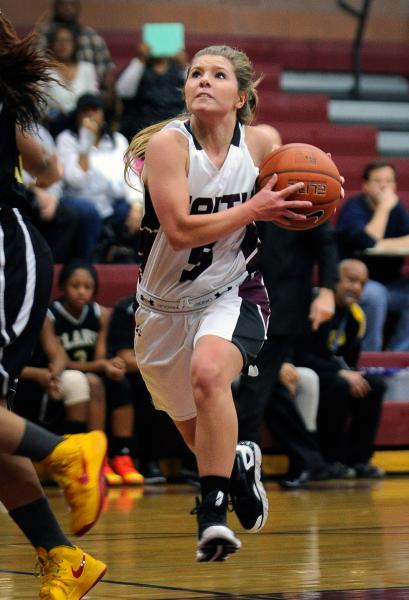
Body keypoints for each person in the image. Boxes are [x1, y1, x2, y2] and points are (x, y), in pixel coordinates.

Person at [125, 44, 317, 561]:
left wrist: (307, 203)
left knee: (211, 375)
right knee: (198, 435)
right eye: (195, 74)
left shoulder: (263, 143)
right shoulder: (169, 145)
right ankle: (238, 464)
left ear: (242, 96)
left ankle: (211, 518)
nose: (203, 81)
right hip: (161, 310)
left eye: (217, 75)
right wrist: (254, 207)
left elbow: (288, 205)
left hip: (232, 293)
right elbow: (181, 230)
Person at [0, 12, 107, 598]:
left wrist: (38, 179)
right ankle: (62, 554)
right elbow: (48, 163)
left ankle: (71, 451)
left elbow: (50, 166)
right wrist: (39, 171)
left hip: (3, 249)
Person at [235, 219, 339, 490]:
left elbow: (325, 241)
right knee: (267, 390)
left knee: (252, 390)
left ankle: (247, 476)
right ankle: (309, 460)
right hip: (240, 301)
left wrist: (327, 291)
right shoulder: (240, 180)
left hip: (279, 304)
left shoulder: (298, 182)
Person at [47, 260, 144, 486]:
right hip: (59, 375)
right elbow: (61, 361)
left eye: (87, 287)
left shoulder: (101, 313)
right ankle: (94, 458)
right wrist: (102, 366)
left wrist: (110, 366)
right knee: (92, 381)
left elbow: (99, 359)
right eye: (75, 286)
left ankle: (121, 454)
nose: (82, 291)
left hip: (91, 371)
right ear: (62, 286)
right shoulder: (50, 315)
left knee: (120, 383)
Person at [293, 259, 386, 478]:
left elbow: (350, 361)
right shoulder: (313, 304)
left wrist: (347, 372)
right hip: (302, 370)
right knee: (339, 385)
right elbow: (299, 354)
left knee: (373, 386)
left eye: (362, 283)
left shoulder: (355, 317)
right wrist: (338, 371)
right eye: (351, 280)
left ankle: (360, 460)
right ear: (334, 279)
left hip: (332, 371)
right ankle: (330, 459)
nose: (356, 288)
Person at [56, 92, 144, 262]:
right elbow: (76, 180)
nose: (90, 114)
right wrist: (85, 142)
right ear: (77, 115)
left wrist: (136, 206)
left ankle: (137, 268)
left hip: (112, 202)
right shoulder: (66, 139)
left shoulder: (118, 140)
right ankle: (87, 265)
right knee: (90, 213)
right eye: (85, 111)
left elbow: (131, 177)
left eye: (95, 109)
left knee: (143, 213)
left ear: (102, 113)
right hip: (79, 200)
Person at [336, 160, 409, 351]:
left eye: (389, 181)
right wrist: (384, 208)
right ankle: (370, 357)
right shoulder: (354, 208)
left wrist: (384, 244)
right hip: (358, 284)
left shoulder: (398, 209)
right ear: (365, 186)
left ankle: (397, 354)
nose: (384, 186)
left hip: (391, 282)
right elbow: (368, 240)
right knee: (376, 295)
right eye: (378, 181)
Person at [38, 0, 115, 97]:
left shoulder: (91, 35)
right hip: (52, 91)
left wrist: (107, 89)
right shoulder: (43, 34)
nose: (67, 8)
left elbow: (107, 69)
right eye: (63, 4)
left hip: (89, 96)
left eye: (72, 4)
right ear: (55, 6)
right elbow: (35, 70)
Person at [116, 41, 187, 141]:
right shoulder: (140, 67)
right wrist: (140, 60)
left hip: (175, 130)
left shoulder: (179, 70)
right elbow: (123, 91)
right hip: (141, 131)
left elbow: (193, 92)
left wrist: (183, 66)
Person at [43, 23, 99, 136]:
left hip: (84, 127)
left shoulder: (87, 69)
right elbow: (40, 106)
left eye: (67, 40)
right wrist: (56, 114)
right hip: (54, 128)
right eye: (58, 41)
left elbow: (93, 101)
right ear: (51, 45)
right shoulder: (44, 70)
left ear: (75, 44)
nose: (63, 45)